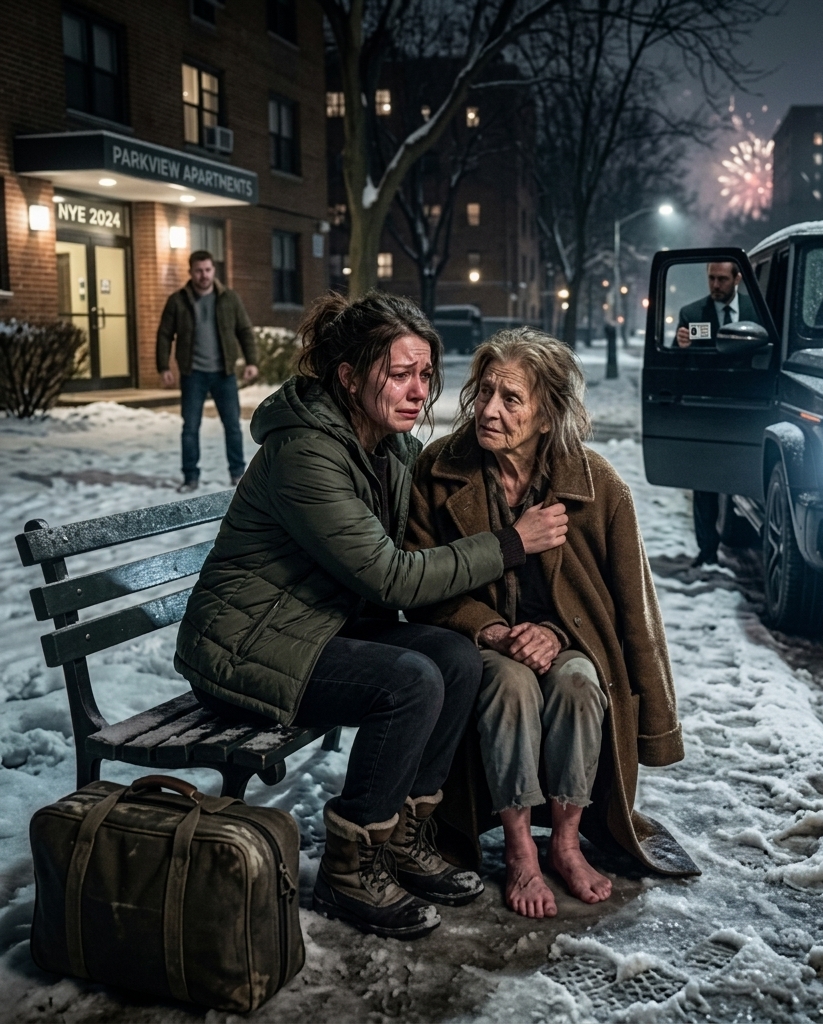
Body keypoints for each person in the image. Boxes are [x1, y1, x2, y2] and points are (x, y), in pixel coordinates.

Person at [174, 292, 569, 940]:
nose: (417, 392)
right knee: (409, 679)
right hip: (244, 648)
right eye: (399, 374)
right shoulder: (306, 454)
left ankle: (408, 833)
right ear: (349, 377)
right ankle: (352, 861)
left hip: (312, 627)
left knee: (456, 655)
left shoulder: (388, 447)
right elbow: (391, 575)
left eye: (424, 376)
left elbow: (430, 511)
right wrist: (511, 543)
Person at [405, 328, 688, 920]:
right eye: (484, 393)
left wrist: (557, 635)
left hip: (564, 644)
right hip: (479, 641)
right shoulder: (438, 469)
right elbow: (421, 586)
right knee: (509, 683)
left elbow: (629, 607)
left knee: (580, 680)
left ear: (546, 415)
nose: (488, 410)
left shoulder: (598, 484)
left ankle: (563, 841)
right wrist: (493, 630)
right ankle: (518, 852)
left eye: (511, 399)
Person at [674, 261, 756, 566]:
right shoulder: (693, 314)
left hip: (746, 407)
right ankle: (707, 551)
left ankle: (743, 536)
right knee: (704, 484)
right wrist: (682, 347)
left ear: (737, 279)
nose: (716, 285)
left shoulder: (756, 311)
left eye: (722, 279)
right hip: (707, 409)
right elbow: (675, 367)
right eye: (711, 278)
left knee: (741, 478)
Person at [157, 250, 259, 492]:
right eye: (199, 271)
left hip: (224, 373)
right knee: (190, 428)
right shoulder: (178, 300)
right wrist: (163, 367)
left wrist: (251, 361)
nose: (204, 275)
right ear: (191, 272)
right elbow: (164, 334)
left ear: (214, 270)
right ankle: (190, 477)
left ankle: (237, 474)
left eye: (208, 270)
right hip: (193, 374)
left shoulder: (229, 298)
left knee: (232, 425)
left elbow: (244, 330)